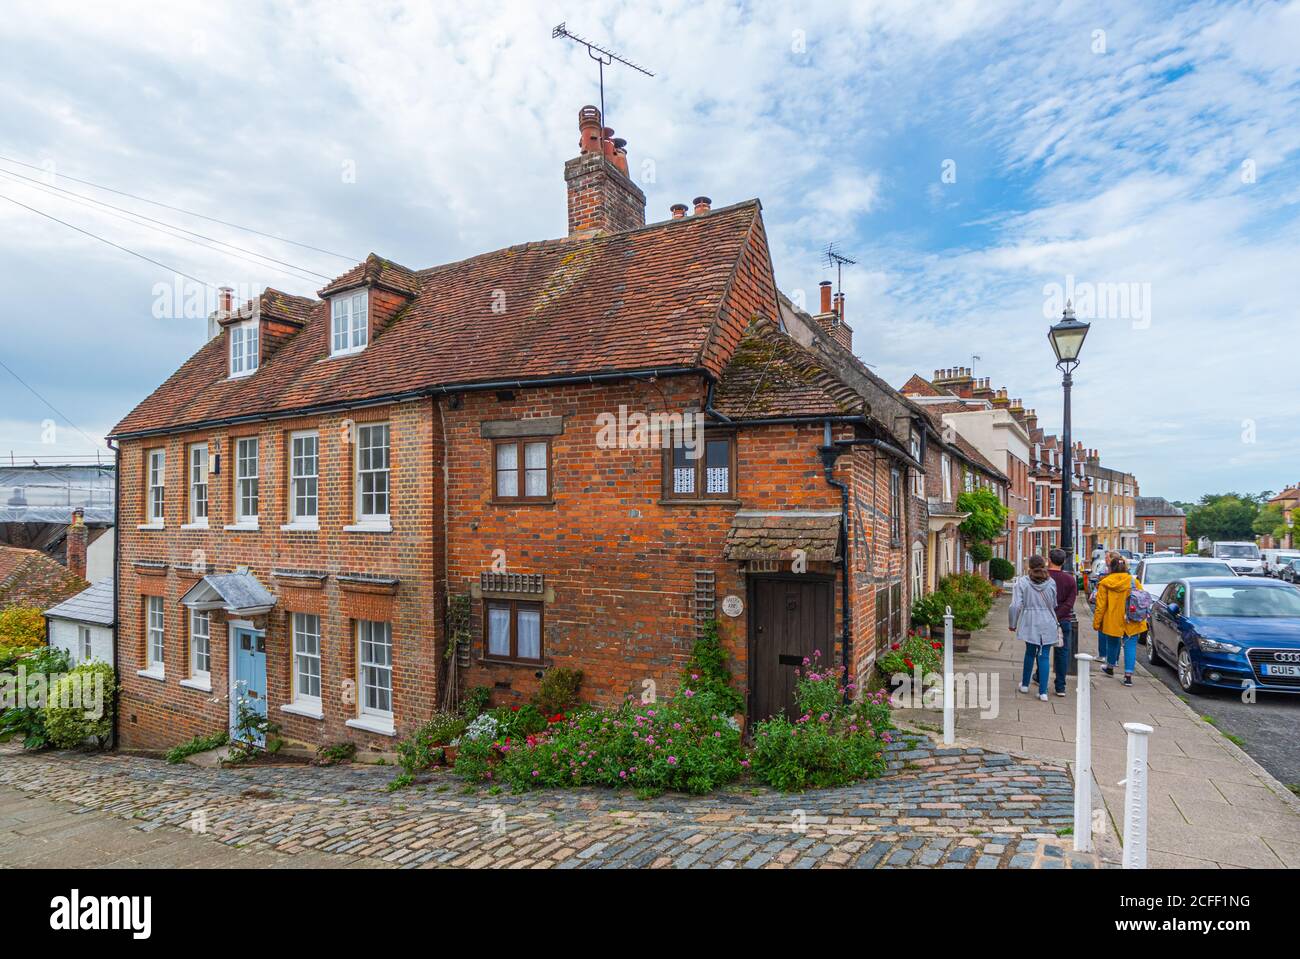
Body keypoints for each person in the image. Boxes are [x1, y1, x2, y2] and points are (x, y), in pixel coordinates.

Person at [1009, 554, 1059, 701]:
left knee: (1030, 652)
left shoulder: (1022, 582)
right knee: (1044, 656)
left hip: (1030, 620)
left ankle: (1025, 685)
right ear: (1043, 566)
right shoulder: (1051, 582)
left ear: (1029, 566)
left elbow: (1015, 605)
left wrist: (1012, 623)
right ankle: (1043, 692)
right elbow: (1054, 603)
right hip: (1048, 620)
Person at [1092, 554, 1148, 686]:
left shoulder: (1105, 583)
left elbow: (1100, 606)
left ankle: (1110, 667)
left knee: (1112, 643)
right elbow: (1142, 601)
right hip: (1132, 618)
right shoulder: (1134, 582)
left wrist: (1097, 623)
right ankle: (1128, 676)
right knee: (1130, 646)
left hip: (1113, 619)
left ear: (1111, 568)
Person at [1046, 548, 1078, 697]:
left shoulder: (1044, 577)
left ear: (1049, 560)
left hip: (1044, 619)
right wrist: (1058, 615)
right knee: (1062, 653)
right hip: (1063, 620)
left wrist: (1051, 615)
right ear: (1064, 562)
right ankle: (1060, 686)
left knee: (1042, 651)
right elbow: (1070, 603)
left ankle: (1041, 679)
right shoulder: (1070, 580)